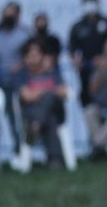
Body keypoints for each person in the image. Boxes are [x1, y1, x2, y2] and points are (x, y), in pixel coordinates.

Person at [13, 39, 68, 168]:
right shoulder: (21, 74)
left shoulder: (53, 72)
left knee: (49, 100)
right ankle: (55, 160)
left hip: (55, 112)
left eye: (36, 55)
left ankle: (36, 127)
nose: (33, 59)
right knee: (50, 117)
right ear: (25, 59)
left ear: (43, 57)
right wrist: (50, 91)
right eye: (30, 56)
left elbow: (64, 93)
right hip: (33, 113)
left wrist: (39, 93)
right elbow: (27, 96)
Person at [68, 0, 107, 109]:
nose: (90, 6)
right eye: (87, 3)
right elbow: (72, 49)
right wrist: (76, 60)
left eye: (93, 3)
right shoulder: (77, 27)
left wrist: (105, 58)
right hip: (86, 68)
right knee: (87, 97)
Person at [0, 1, 31, 89]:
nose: (8, 17)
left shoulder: (24, 34)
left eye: (11, 15)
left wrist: (19, 66)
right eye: (6, 15)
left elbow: (30, 56)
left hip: (20, 73)